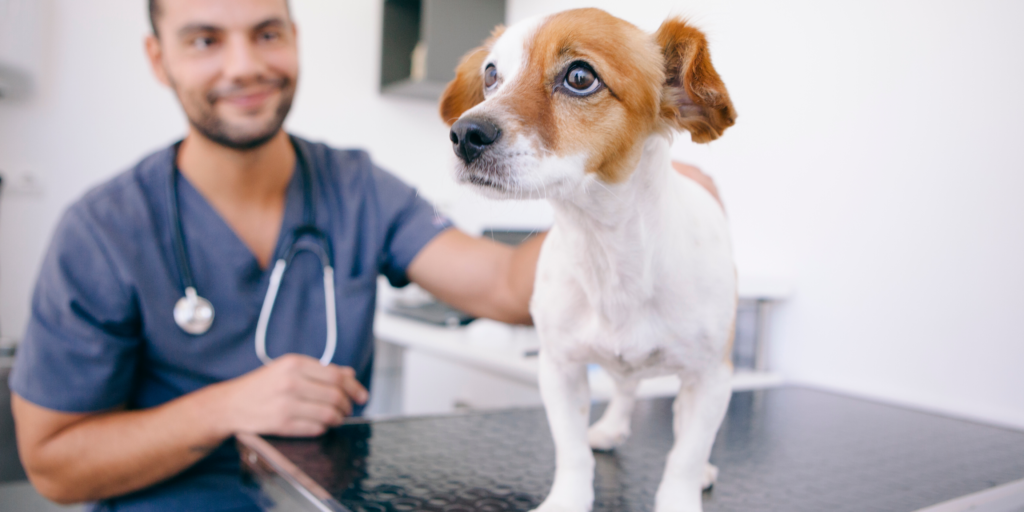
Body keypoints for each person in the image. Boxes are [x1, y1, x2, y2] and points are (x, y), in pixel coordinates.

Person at [8, 1, 722, 510]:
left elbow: (506, 283)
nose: (244, 64)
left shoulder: (357, 189)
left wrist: (631, 211)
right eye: (203, 40)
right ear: (157, 58)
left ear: (294, 36)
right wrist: (228, 407)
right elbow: (52, 467)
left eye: (266, 31)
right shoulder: (100, 229)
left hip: (324, 497)